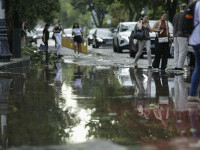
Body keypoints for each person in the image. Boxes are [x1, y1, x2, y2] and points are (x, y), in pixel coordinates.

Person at [188, 1, 200, 102]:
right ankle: (192, 93)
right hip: (199, 39)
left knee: (198, 67)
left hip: (195, 40)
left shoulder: (196, 4)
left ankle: (192, 93)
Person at [172, 4, 188, 71]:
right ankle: (180, 66)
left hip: (175, 35)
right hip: (183, 35)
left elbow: (173, 25)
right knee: (182, 51)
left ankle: (176, 65)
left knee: (176, 51)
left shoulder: (175, 15)